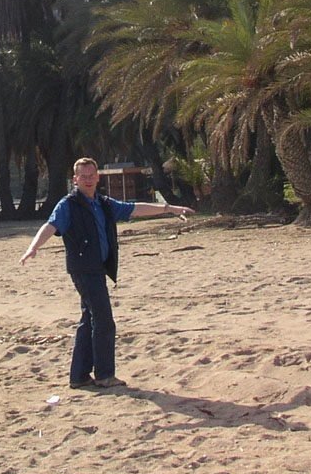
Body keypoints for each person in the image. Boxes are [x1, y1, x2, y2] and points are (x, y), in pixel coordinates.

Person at [19, 158, 195, 389]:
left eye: (92, 175)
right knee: (103, 321)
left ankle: (79, 376)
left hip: (98, 268)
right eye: (84, 176)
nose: (89, 179)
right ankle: (104, 375)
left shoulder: (103, 203)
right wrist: (33, 247)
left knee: (88, 319)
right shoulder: (68, 204)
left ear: (97, 177)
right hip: (83, 270)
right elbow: (50, 226)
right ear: (75, 179)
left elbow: (134, 209)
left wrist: (168, 208)